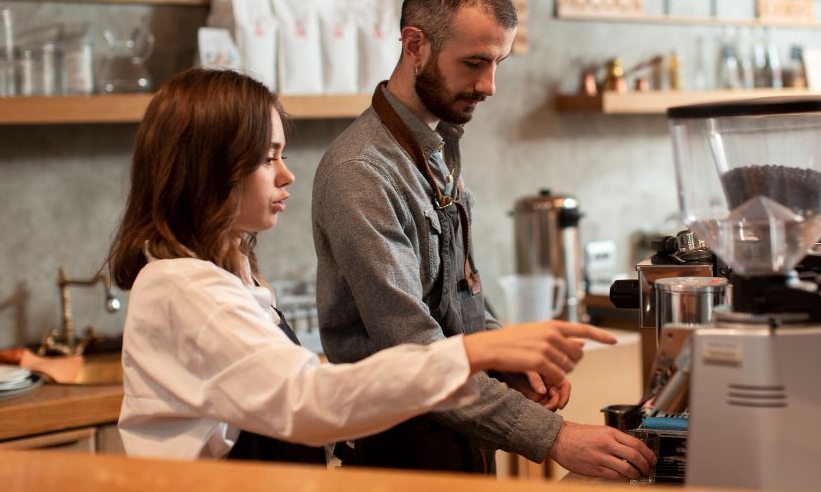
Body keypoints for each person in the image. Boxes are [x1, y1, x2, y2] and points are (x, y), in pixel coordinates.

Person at [108, 67, 618, 463]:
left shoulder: (226, 274)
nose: (287, 176)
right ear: (208, 171)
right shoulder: (185, 291)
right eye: (267, 158)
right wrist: (475, 352)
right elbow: (310, 401)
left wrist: (488, 354)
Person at [313, 0, 655, 481]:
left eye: (498, 63)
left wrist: (505, 360)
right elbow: (416, 357)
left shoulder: (439, 147)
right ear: (415, 45)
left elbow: (459, 299)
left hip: (460, 440)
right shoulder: (360, 173)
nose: (490, 85)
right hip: (397, 457)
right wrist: (556, 437)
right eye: (474, 62)